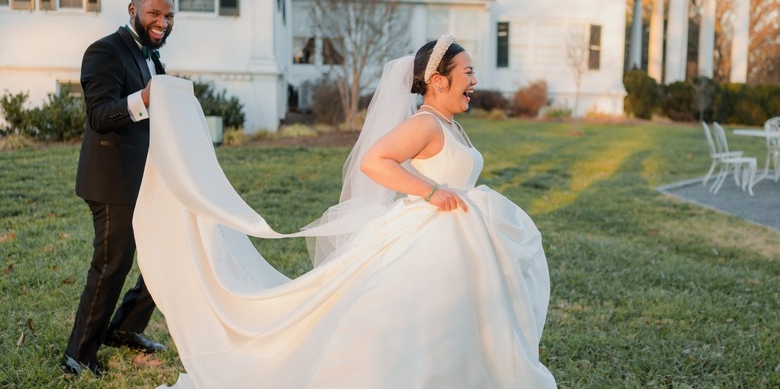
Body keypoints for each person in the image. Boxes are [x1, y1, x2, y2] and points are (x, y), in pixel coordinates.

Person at [132, 35, 556, 387]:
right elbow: (376, 161)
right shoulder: (425, 123)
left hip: (460, 238)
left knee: (461, 321)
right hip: (431, 235)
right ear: (438, 81)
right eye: (467, 73)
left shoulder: (450, 125)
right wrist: (431, 192)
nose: (474, 81)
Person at [61, 0, 179, 377]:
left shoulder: (152, 56)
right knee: (112, 264)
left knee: (166, 251)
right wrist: (143, 98)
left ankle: (126, 328)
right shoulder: (104, 52)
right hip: (112, 181)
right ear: (133, 9)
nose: (162, 21)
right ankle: (78, 353)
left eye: (168, 15)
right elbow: (99, 116)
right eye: (153, 13)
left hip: (147, 179)